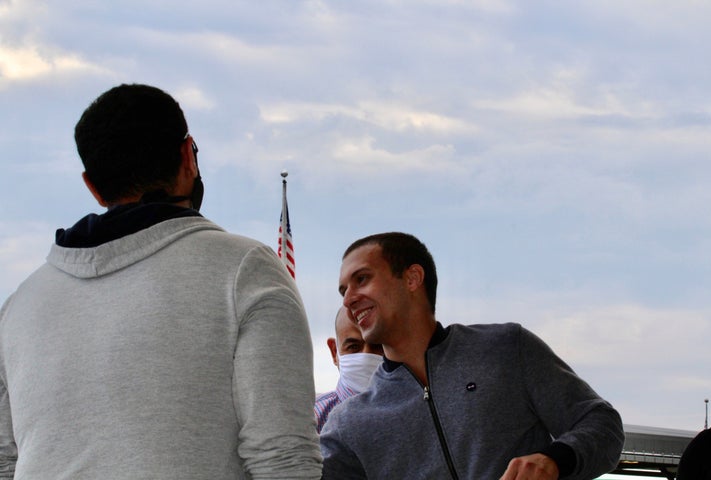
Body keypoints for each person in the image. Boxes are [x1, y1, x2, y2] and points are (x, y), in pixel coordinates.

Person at [0, 84, 322, 479]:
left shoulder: (18, 307)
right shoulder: (246, 273)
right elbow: (284, 459)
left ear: (93, 187)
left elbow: (5, 462)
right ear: (189, 155)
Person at [321, 232, 624, 480]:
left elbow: (602, 423)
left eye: (362, 279)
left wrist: (555, 460)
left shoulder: (506, 348)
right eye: (343, 290)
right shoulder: (348, 424)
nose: (348, 300)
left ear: (413, 278)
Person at [314, 307, 383, 432]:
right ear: (335, 351)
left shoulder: (416, 411)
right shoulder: (311, 419)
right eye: (353, 347)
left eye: (378, 346)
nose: (365, 357)